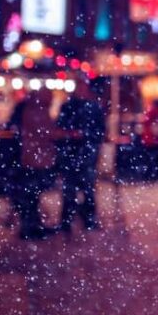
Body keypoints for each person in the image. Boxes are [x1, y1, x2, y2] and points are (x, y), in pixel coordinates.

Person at [57, 76, 106, 232]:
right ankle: (69, 220)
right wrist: (73, 135)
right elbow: (61, 127)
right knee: (72, 189)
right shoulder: (70, 107)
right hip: (74, 151)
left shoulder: (91, 108)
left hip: (85, 152)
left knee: (86, 188)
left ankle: (86, 219)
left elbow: (100, 130)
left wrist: (87, 137)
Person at [11, 88, 57, 240]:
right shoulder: (37, 112)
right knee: (32, 194)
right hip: (35, 160)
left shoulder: (30, 110)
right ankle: (30, 227)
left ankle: (32, 226)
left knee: (32, 195)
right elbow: (46, 132)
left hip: (33, 158)